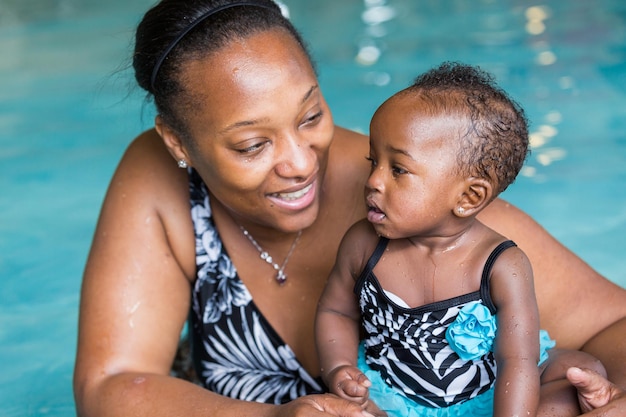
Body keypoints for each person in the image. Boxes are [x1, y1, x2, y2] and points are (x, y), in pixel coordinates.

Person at [72, 1, 626, 416]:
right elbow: (112, 383)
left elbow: (614, 326)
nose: (299, 162)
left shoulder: (422, 210)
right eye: (251, 145)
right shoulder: (159, 177)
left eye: (311, 116)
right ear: (178, 144)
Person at [315, 62, 608, 417]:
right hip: (391, 396)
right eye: (373, 161)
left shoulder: (501, 265)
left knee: (579, 372)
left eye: (397, 170)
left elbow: (517, 360)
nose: (373, 180)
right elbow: (335, 310)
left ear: (468, 197)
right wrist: (338, 367)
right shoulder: (363, 243)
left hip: (492, 395)